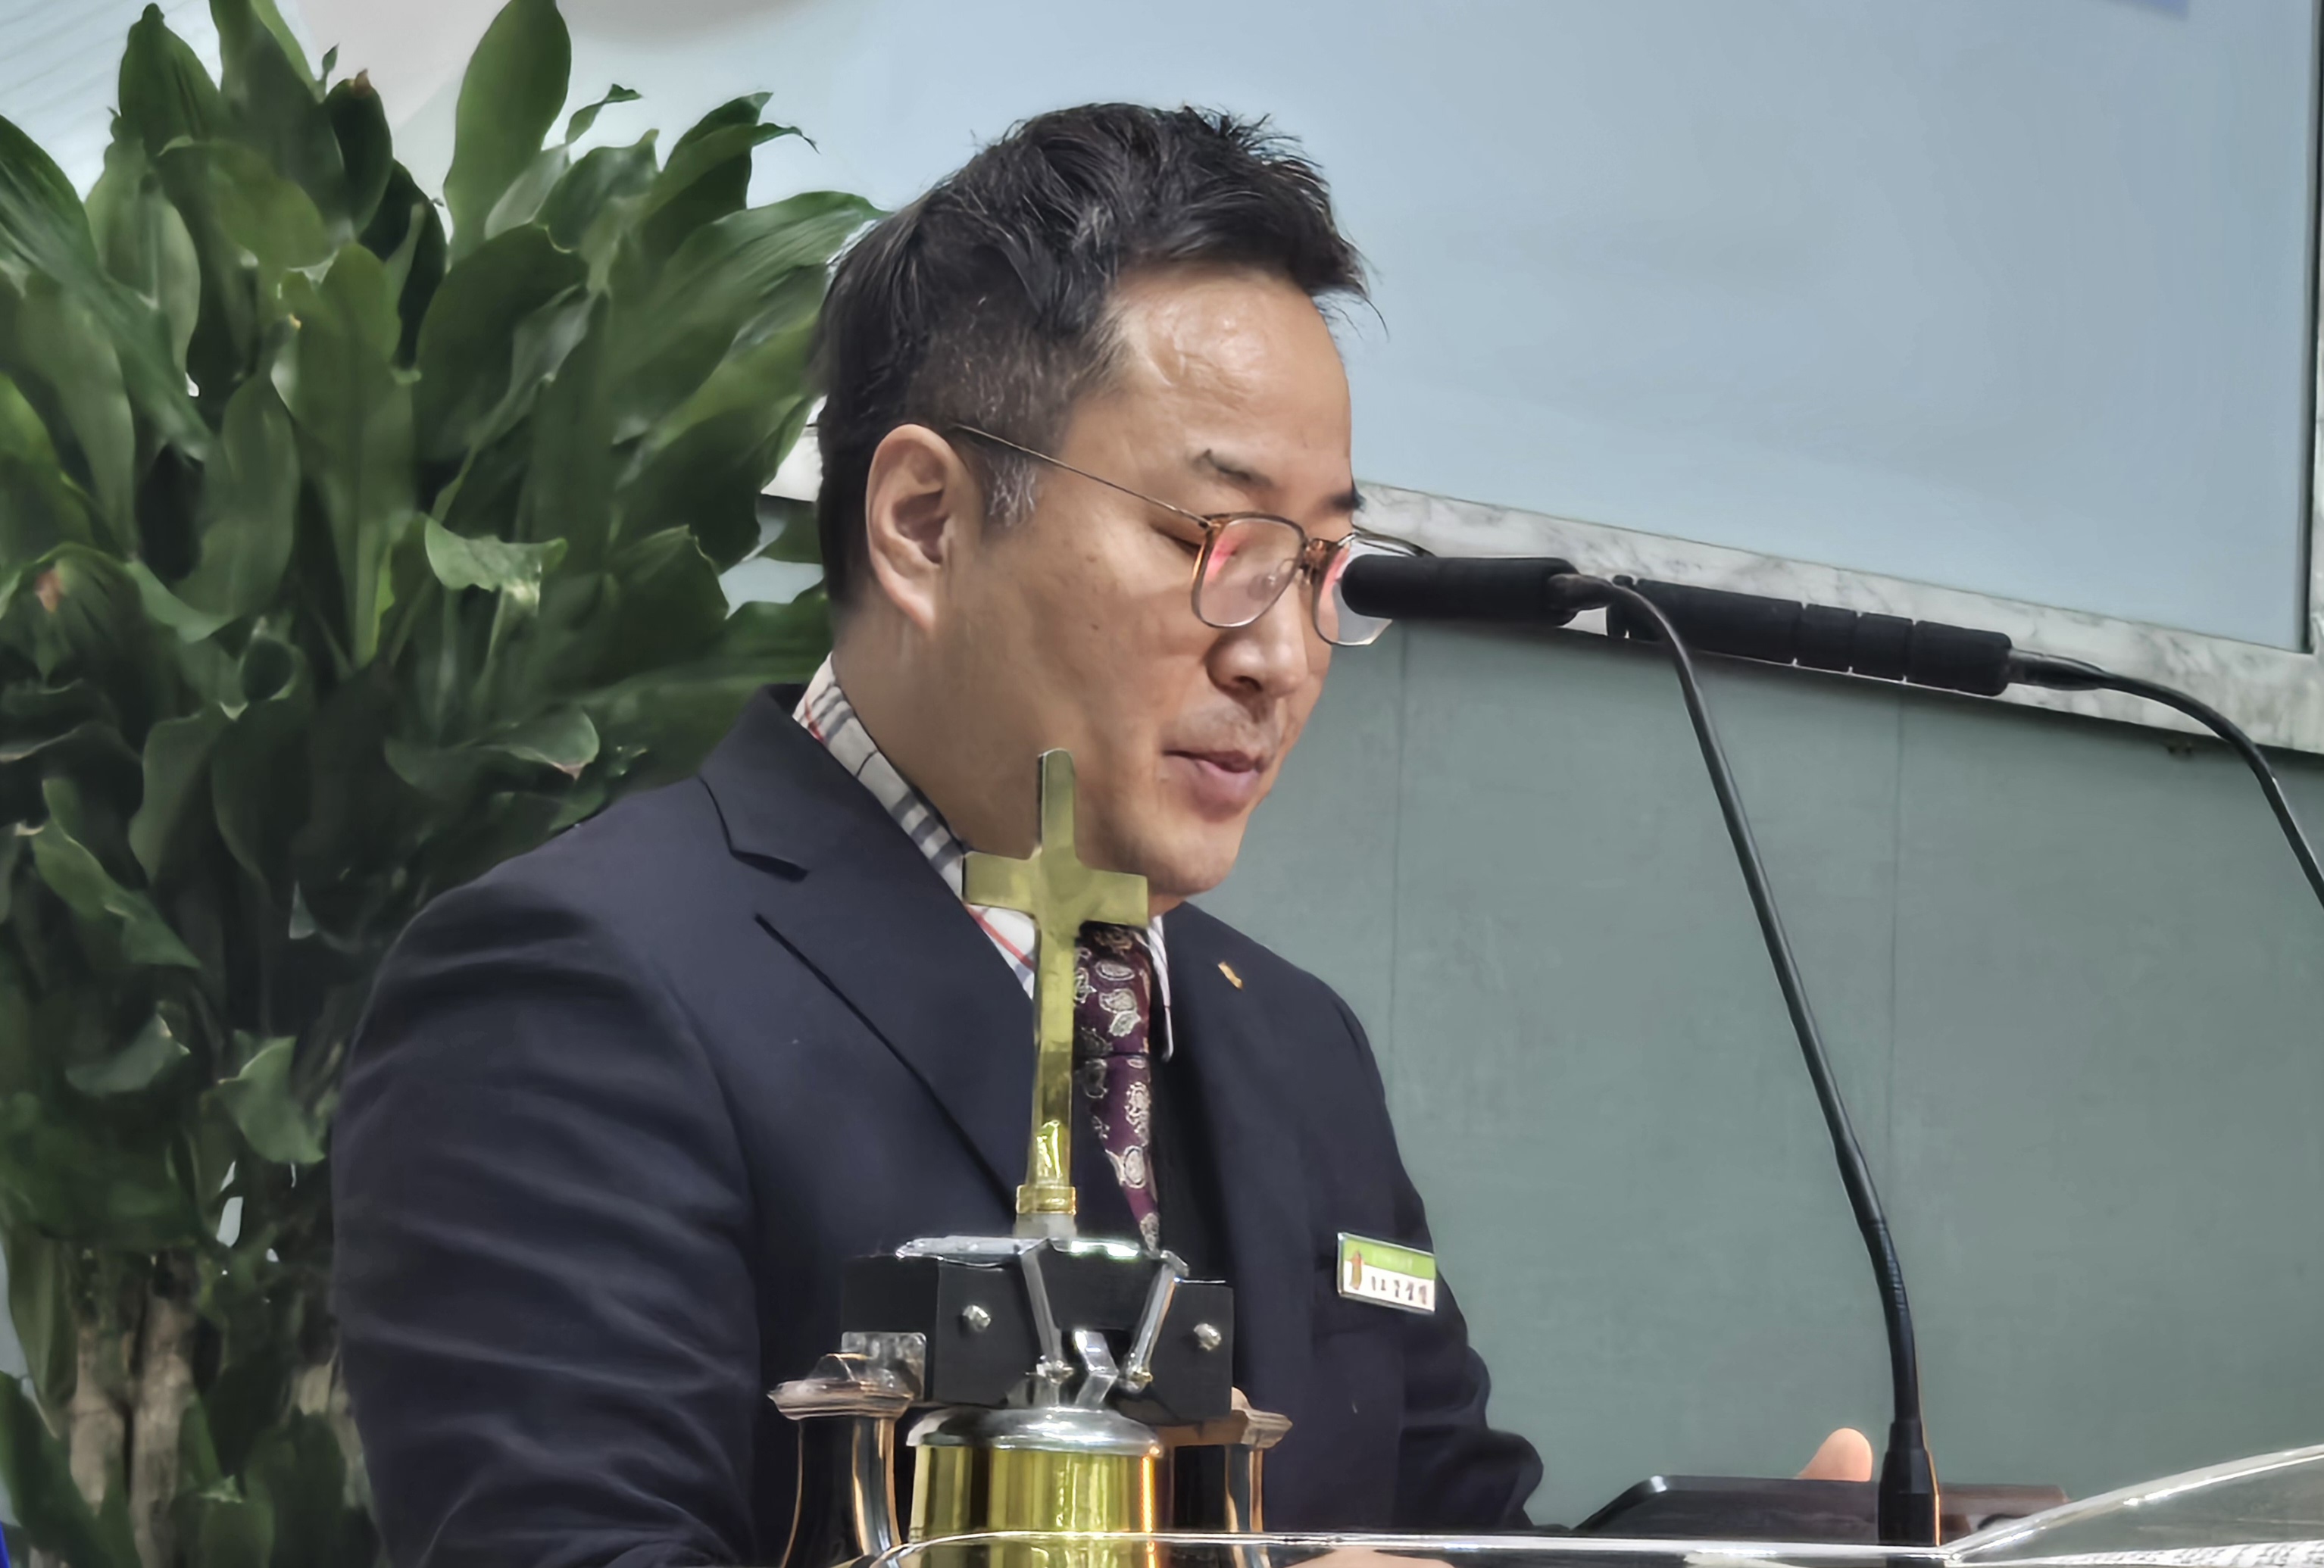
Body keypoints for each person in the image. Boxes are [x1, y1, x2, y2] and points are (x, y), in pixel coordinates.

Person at [332, 102, 1867, 1568]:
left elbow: (1441, 1521)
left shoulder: (1298, 1046)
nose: (1280, 655)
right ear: (924, 522)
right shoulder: (586, 984)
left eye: (1323, 565)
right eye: (1214, 539)